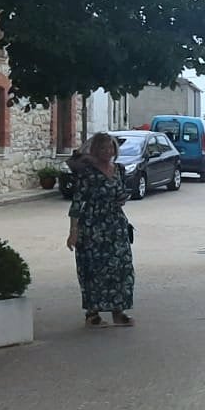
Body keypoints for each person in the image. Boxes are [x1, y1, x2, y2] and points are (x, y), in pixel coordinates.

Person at [67, 132, 136, 328]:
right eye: (103, 148)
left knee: (121, 268)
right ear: (95, 150)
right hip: (93, 225)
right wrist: (73, 231)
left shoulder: (118, 170)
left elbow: (121, 193)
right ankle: (92, 313)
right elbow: (77, 202)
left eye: (110, 147)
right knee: (94, 269)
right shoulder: (87, 172)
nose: (108, 151)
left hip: (116, 224)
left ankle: (118, 311)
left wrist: (122, 197)